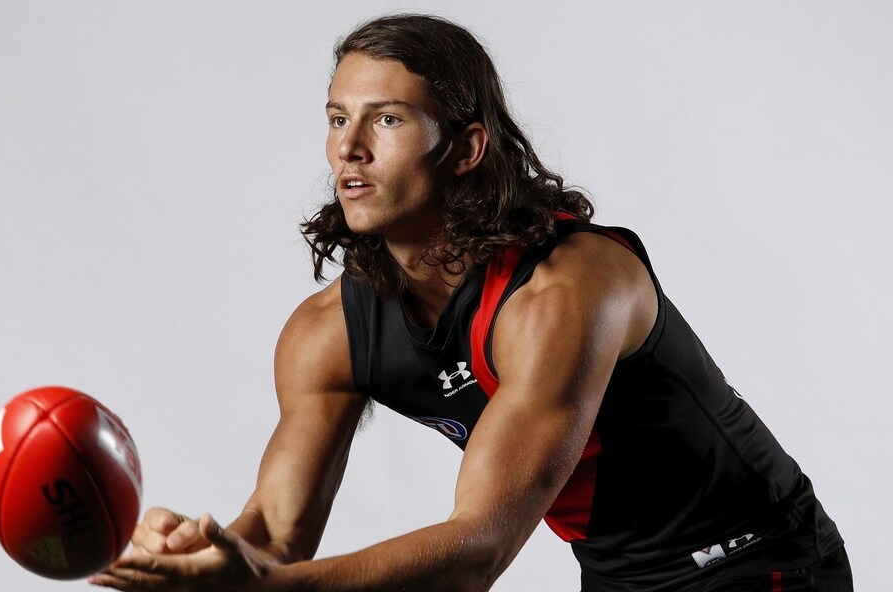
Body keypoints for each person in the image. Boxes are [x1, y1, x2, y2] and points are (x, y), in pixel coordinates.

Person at [88, 13, 851, 592]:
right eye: (337, 118)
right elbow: (276, 537)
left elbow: (480, 547)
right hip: (618, 577)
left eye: (387, 119)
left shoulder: (567, 289)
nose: (350, 146)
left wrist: (267, 588)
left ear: (466, 148)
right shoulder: (326, 334)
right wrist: (206, 555)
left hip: (760, 560)